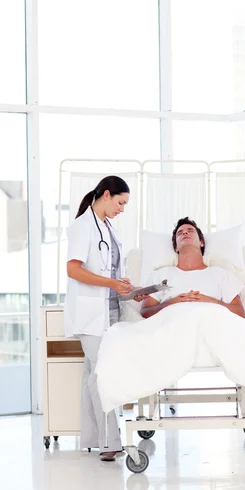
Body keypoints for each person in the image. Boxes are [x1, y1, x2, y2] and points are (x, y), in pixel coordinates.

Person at [64, 175, 146, 461]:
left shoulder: (108, 228)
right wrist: (112, 284)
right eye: (121, 202)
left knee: (93, 375)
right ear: (107, 194)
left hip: (108, 310)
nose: (122, 209)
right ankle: (111, 442)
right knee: (101, 376)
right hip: (90, 315)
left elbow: (109, 272)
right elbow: (73, 270)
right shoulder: (82, 226)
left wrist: (126, 287)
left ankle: (95, 438)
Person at [141, 217, 245, 319]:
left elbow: (239, 312)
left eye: (190, 230)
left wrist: (211, 302)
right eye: (180, 232)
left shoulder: (221, 274)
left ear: (201, 242)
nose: (185, 233)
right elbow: (145, 312)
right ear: (176, 247)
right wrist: (172, 302)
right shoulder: (160, 275)